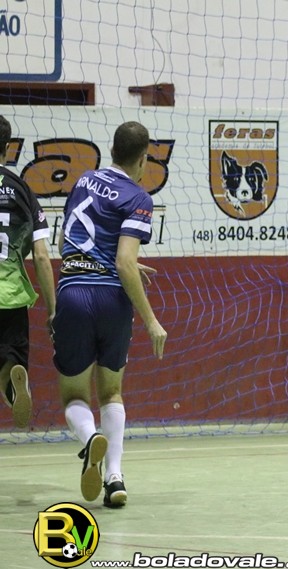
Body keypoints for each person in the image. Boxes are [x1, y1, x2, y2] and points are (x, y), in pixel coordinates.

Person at [53, 121, 167, 508]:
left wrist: (119, 266)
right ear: (143, 158)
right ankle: (115, 478)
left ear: (112, 150)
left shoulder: (84, 180)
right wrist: (151, 320)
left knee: (74, 395)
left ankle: (90, 440)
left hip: (73, 292)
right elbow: (123, 262)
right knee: (112, 391)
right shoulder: (139, 197)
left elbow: (73, 242)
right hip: (111, 299)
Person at [0, 115, 57, 429]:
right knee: (11, 356)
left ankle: (10, 382)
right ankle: (13, 380)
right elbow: (42, 256)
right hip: (11, 295)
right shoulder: (22, 189)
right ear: (8, 147)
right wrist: (52, 311)